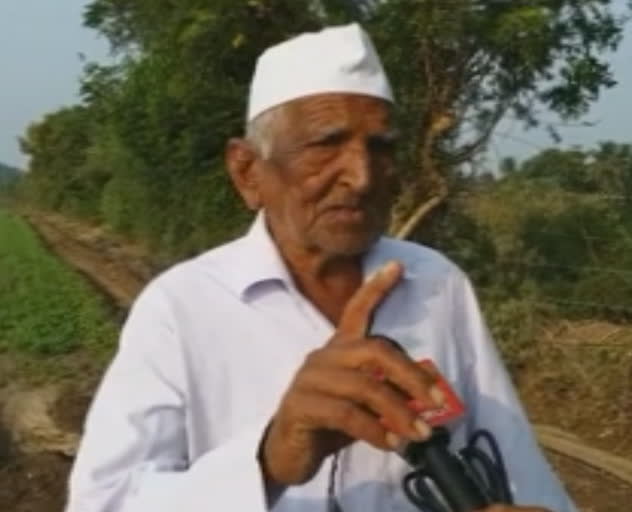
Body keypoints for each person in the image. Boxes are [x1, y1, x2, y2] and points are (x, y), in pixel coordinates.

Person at [65, 23, 577, 512]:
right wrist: (267, 459)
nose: (360, 176)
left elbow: (517, 468)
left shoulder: (437, 285)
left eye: (380, 147)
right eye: (325, 145)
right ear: (248, 171)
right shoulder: (182, 308)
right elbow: (104, 501)